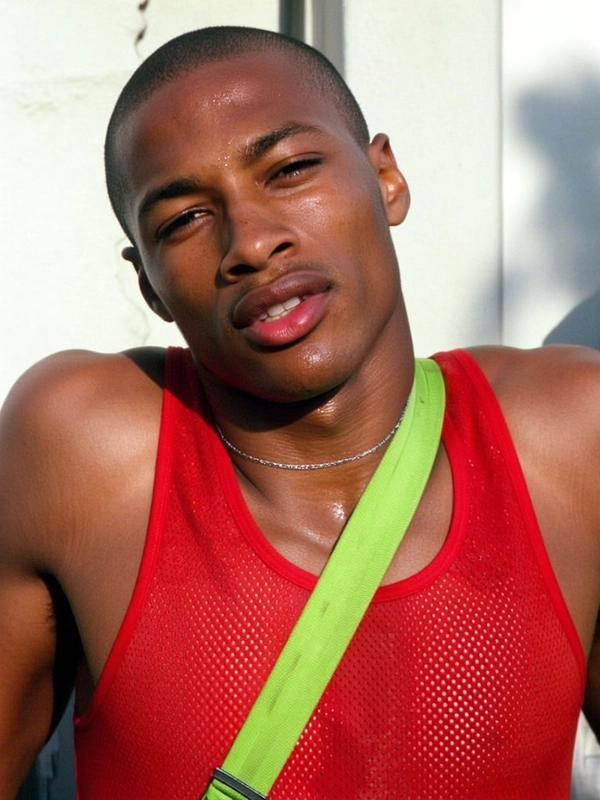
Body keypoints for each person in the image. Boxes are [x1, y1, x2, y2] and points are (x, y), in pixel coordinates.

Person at [1, 25, 599, 800]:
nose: (250, 241)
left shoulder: (566, 439)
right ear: (148, 283)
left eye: (290, 169)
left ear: (385, 177)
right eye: (183, 219)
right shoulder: (89, 452)